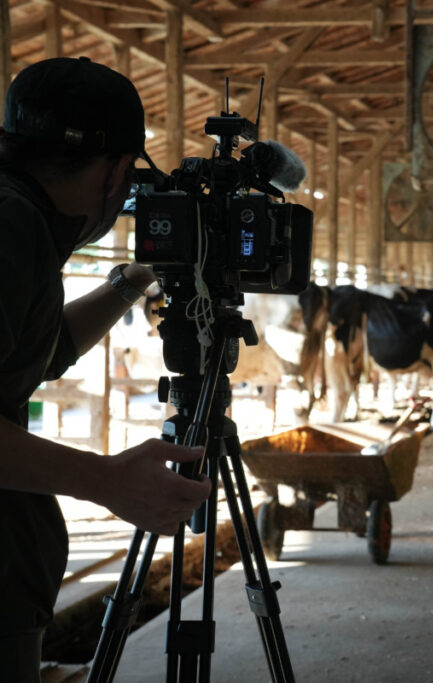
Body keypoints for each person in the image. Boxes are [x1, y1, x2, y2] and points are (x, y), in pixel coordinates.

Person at [0, 57, 211, 681]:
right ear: (119, 169)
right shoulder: (12, 227)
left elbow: (36, 349)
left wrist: (132, 280)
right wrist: (105, 480)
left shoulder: (21, 214)